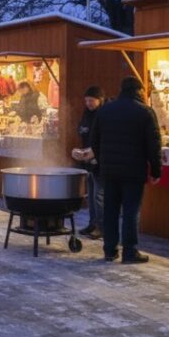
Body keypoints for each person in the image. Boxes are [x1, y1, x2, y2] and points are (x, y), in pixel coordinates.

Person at [90, 77, 162, 263]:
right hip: (134, 170)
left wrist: (102, 160)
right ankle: (129, 251)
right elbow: (154, 145)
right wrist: (156, 171)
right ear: (139, 90)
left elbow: (94, 140)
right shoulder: (145, 112)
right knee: (130, 211)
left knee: (110, 210)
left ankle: (109, 250)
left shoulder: (105, 110)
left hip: (109, 171)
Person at [72, 86, 104, 240]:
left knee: (98, 195)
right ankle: (92, 223)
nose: (88, 103)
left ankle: (100, 226)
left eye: (91, 100)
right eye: (86, 101)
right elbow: (81, 129)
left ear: (100, 100)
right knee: (90, 194)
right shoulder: (87, 114)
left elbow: (101, 139)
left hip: (99, 161)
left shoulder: (103, 115)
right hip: (87, 159)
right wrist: (79, 151)